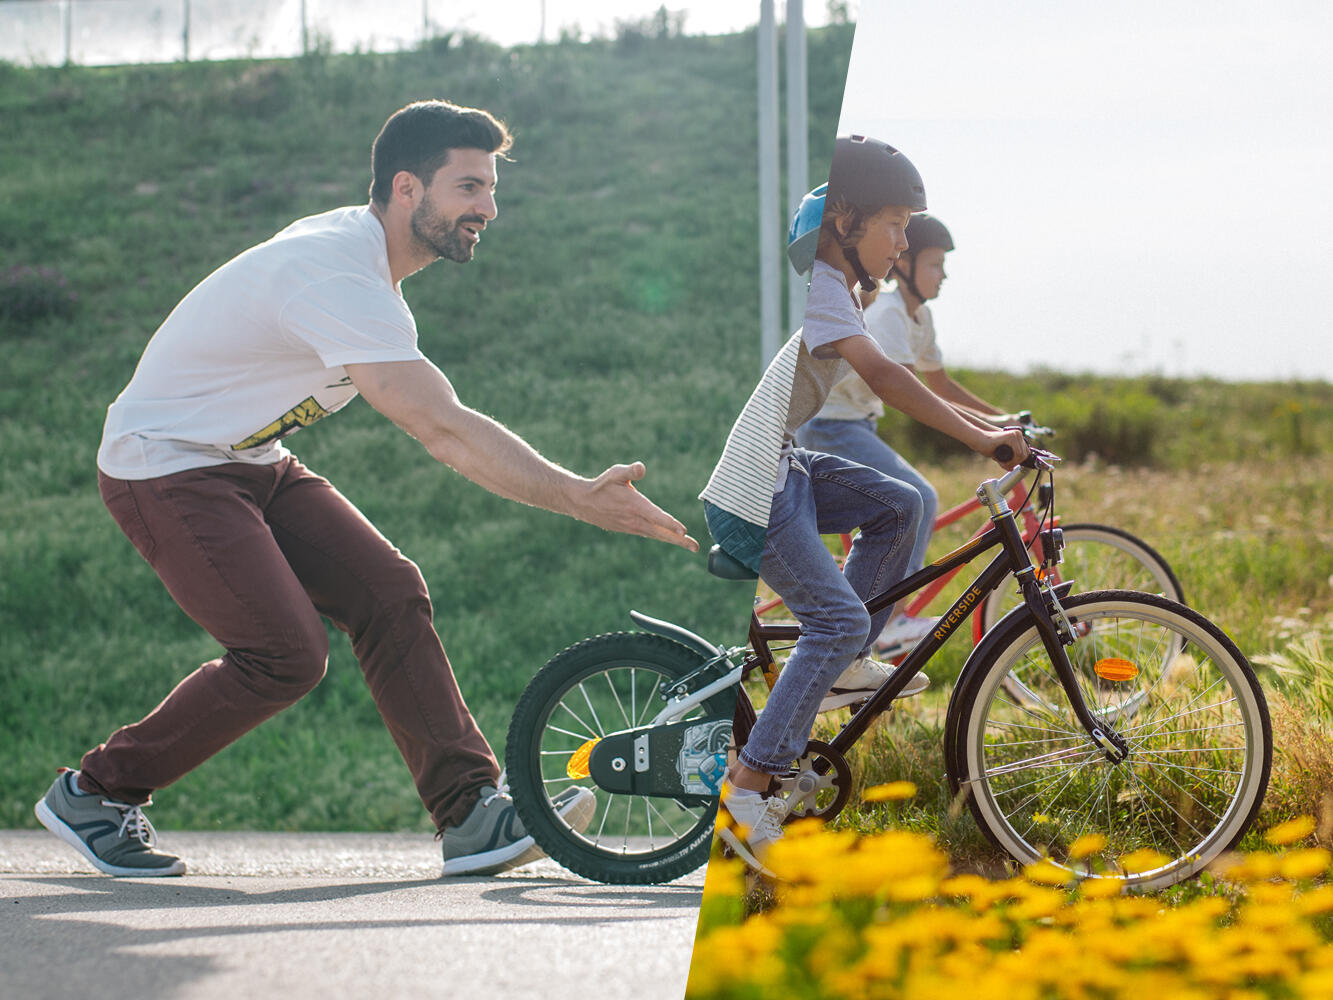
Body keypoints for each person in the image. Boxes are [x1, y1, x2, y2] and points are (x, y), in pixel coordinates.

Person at [33, 99, 698, 880]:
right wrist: (578, 495)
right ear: (407, 188)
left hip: (246, 458)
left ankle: (472, 815)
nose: (487, 207)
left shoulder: (360, 263)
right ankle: (96, 791)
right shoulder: (338, 276)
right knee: (283, 653)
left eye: (489, 188)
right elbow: (440, 427)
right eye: (467, 188)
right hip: (164, 464)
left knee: (387, 591)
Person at [698, 136, 1027, 871]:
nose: (905, 240)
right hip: (756, 487)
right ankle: (747, 791)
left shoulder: (841, 290)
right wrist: (984, 439)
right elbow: (885, 378)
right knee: (837, 617)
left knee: (904, 505)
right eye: (895, 224)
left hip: (788, 468)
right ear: (844, 224)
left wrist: (990, 428)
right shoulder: (821, 288)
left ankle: (844, 660)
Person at [797, 213, 1023, 655]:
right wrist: (985, 433)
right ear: (906, 265)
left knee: (907, 502)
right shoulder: (888, 314)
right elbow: (905, 386)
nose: (943, 274)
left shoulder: (920, 318)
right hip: (829, 425)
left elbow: (941, 386)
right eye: (936, 263)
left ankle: (870, 623)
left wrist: (1002, 418)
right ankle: (890, 621)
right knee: (917, 496)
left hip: (856, 423)